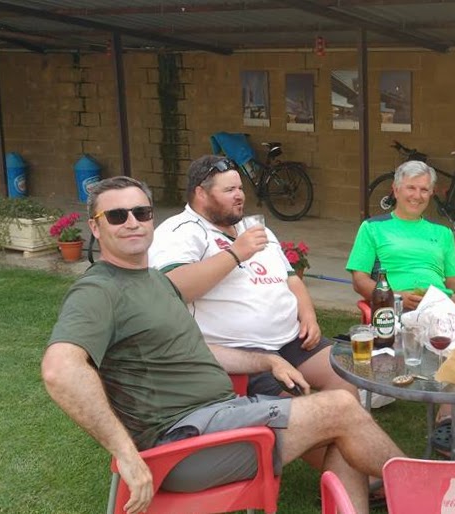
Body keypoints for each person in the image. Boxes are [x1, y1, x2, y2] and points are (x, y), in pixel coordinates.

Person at [42, 176, 405, 514]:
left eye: (141, 212)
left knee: (343, 440)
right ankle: (429, 493)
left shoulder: (154, 281)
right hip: (186, 446)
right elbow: (61, 369)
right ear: (95, 226)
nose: (133, 222)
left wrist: (265, 362)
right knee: (340, 407)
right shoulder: (99, 290)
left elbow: (197, 350)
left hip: (224, 417)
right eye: (117, 215)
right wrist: (126, 454)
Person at [148, 155, 355, 400]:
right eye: (229, 190)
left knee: (348, 376)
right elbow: (176, 287)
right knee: (299, 414)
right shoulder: (181, 232)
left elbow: (291, 278)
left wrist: (309, 317)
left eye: (239, 188)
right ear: (201, 194)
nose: (240, 195)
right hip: (240, 351)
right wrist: (235, 253)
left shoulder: (255, 228)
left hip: (291, 338)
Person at [347, 159, 455, 316]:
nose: (417, 196)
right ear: (396, 190)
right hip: (396, 311)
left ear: (431, 193)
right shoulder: (372, 228)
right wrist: (395, 297)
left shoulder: (443, 233)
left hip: (440, 310)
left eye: (424, 190)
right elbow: (359, 281)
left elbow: (452, 281)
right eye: (411, 188)